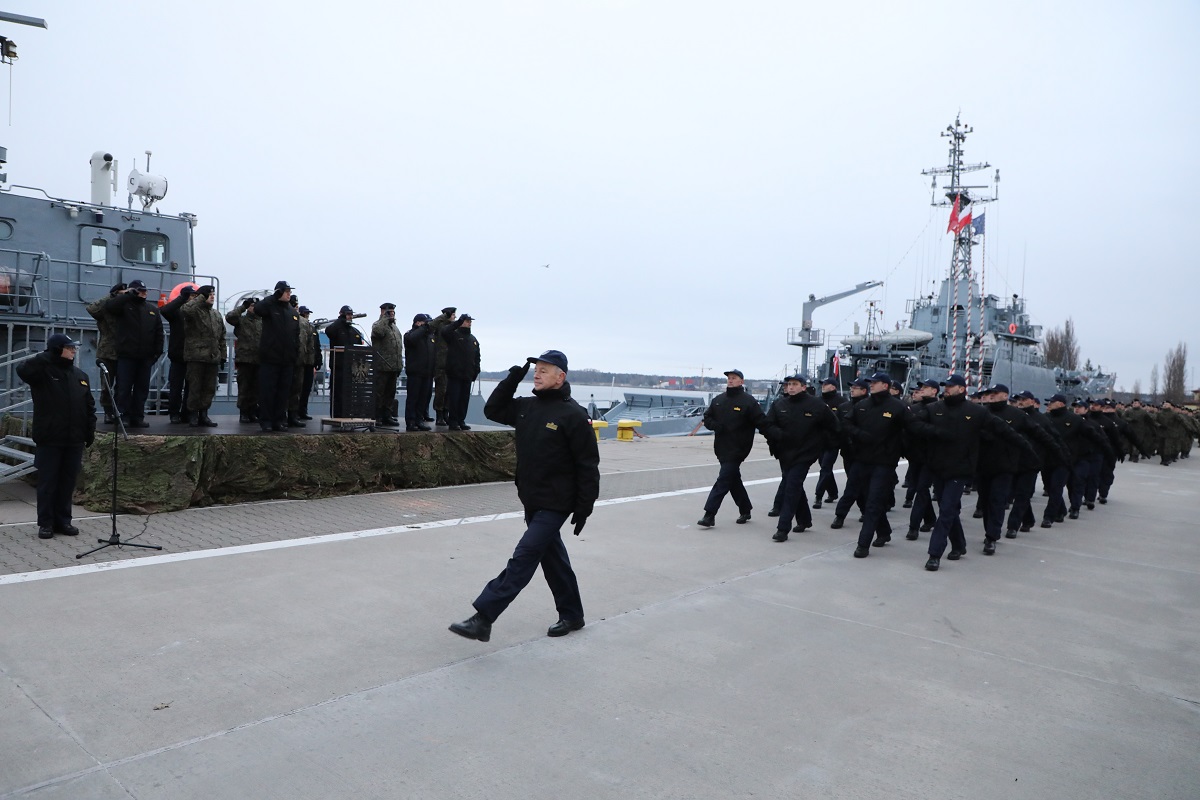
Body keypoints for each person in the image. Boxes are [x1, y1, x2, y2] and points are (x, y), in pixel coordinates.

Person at [449, 350, 599, 642]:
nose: (537, 374)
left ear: (560, 377)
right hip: (531, 498)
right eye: (536, 370)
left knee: (524, 556)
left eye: (544, 370)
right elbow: (493, 409)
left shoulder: (574, 415)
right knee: (553, 559)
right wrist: (512, 379)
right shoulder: (527, 407)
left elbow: (587, 465)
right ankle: (572, 614)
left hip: (556, 503)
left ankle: (483, 618)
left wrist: (584, 508)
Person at [918, 375, 1034, 571]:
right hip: (938, 467)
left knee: (947, 510)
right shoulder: (934, 409)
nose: (947, 389)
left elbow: (1005, 431)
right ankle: (959, 544)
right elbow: (914, 424)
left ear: (962, 389)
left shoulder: (976, 412)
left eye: (951, 386)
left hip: (961, 469)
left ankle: (934, 554)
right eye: (946, 386)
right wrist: (934, 432)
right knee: (949, 509)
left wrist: (1029, 451)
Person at [838, 371, 939, 558]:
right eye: (870, 382)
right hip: (862, 459)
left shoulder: (898, 407)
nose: (871, 385)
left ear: (885, 385)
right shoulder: (862, 405)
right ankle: (884, 531)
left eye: (874, 382)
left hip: (884, 462)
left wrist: (938, 433)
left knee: (874, 502)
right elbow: (846, 423)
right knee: (866, 499)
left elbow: (914, 427)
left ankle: (863, 544)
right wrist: (859, 435)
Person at [16, 334, 97, 539]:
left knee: (67, 482)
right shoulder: (43, 372)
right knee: (48, 483)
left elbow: (89, 405)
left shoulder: (80, 375)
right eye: (69, 347)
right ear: (57, 349)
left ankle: (63, 521)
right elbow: (23, 370)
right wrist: (47, 355)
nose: (74, 351)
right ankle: (46, 523)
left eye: (74, 347)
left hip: (74, 439)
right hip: (50, 438)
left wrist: (89, 431)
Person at [760, 374, 839, 542]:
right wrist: (778, 435)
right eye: (789, 384)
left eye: (795, 384)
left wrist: (822, 446)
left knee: (791, 487)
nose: (791, 387)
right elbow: (767, 425)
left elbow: (834, 426)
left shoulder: (816, 405)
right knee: (794, 485)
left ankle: (782, 529)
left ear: (803, 387)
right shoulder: (779, 404)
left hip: (805, 453)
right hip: (784, 453)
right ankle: (804, 520)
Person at [697, 369, 766, 528]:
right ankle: (745, 509)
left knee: (723, 480)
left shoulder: (748, 401)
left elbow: (762, 422)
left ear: (741, 381)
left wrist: (776, 437)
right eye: (729, 378)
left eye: (734, 378)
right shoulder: (719, 400)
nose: (730, 380)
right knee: (733, 479)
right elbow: (707, 417)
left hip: (739, 448)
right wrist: (715, 426)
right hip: (721, 447)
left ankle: (709, 515)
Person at [103, 279, 164, 428]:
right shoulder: (124, 306)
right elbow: (110, 306)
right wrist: (128, 295)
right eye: (140, 290)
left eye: (144, 290)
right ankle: (123, 416)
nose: (143, 293)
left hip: (145, 357)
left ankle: (138, 417)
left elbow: (158, 332)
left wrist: (157, 352)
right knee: (123, 388)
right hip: (127, 356)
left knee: (141, 389)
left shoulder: (152, 309)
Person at [253, 281, 299, 432]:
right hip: (270, 358)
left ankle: (279, 420)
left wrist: (295, 355)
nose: (289, 294)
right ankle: (266, 420)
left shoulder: (292, 312)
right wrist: (273, 297)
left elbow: (296, 335)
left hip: (287, 359)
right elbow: (258, 309)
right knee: (268, 391)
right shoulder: (270, 307)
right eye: (286, 291)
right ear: (279, 292)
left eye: (290, 291)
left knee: (283, 392)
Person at [178, 285, 225, 427]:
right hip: (196, 356)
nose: (212, 296)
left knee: (209, 388)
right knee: (195, 387)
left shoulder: (216, 314)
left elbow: (221, 336)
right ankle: (192, 415)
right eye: (209, 294)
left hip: (212, 356)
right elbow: (184, 310)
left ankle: (204, 415)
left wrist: (223, 355)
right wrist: (200, 297)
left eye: (213, 294)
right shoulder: (194, 311)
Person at [86, 282, 126, 424]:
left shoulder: (125, 307)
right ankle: (108, 412)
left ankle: (119, 411)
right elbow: (91, 308)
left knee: (123, 386)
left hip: (124, 351)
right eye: (120, 294)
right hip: (107, 352)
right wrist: (110, 297)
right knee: (107, 385)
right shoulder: (106, 308)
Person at [226, 297, 262, 423]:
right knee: (244, 388)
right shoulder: (241, 320)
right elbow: (229, 317)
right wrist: (243, 307)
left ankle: (253, 411)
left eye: (255, 306)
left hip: (259, 360)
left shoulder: (262, 321)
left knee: (256, 389)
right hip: (245, 359)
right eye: (251, 305)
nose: (254, 308)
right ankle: (244, 412)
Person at [326, 304, 366, 418]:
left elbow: (359, 348)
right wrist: (340, 320)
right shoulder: (336, 328)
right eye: (347, 314)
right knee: (338, 393)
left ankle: (348, 413)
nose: (350, 317)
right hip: (338, 366)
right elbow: (329, 331)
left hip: (351, 367)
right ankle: (337, 415)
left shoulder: (354, 331)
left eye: (351, 315)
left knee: (350, 393)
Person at [444, 314, 480, 430]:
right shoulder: (454, 335)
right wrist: (458, 322)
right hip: (455, 374)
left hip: (467, 374)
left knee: (464, 400)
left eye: (470, 321)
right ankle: (453, 421)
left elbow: (477, 357)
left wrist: (476, 371)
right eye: (467, 321)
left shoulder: (473, 339)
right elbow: (445, 332)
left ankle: (461, 420)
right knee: (454, 399)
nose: (470, 323)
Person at [370, 302, 404, 426]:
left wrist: (399, 365)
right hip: (382, 366)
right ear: (383, 312)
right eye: (389, 312)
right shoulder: (378, 325)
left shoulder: (394, 327)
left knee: (390, 393)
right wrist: (384, 318)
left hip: (393, 366)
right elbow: (378, 332)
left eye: (393, 312)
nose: (392, 315)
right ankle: (377, 416)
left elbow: (398, 346)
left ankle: (387, 415)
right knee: (379, 393)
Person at [403, 313, 435, 431]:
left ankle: (419, 420)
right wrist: (424, 328)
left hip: (427, 373)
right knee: (413, 399)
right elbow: (412, 339)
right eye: (425, 323)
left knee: (423, 399)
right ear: (417, 323)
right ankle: (411, 422)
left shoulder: (429, 338)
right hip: (415, 373)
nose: (428, 325)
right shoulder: (410, 335)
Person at [429, 306, 457, 426]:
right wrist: (443, 317)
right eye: (453, 315)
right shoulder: (439, 327)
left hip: (451, 364)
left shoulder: (454, 328)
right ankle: (439, 415)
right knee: (441, 391)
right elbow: (430, 326)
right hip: (441, 364)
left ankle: (446, 413)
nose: (455, 317)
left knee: (449, 392)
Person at [294, 304, 320, 421]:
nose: (307, 315)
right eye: (305, 313)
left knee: (307, 389)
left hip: (310, 362)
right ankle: (295, 411)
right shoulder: (298, 325)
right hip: (301, 362)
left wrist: (318, 360)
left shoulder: (312, 328)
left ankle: (303, 411)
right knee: (298, 388)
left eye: (308, 313)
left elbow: (316, 345)